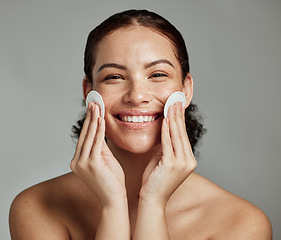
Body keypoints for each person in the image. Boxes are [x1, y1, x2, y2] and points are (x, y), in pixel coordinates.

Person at [9, 9, 272, 240]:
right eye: (114, 77)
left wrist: (153, 203)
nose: (136, 96)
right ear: (89, 90)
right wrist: (113, 206)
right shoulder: (36, 207)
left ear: (186, 89)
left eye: (157, 74)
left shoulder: (242, 223)